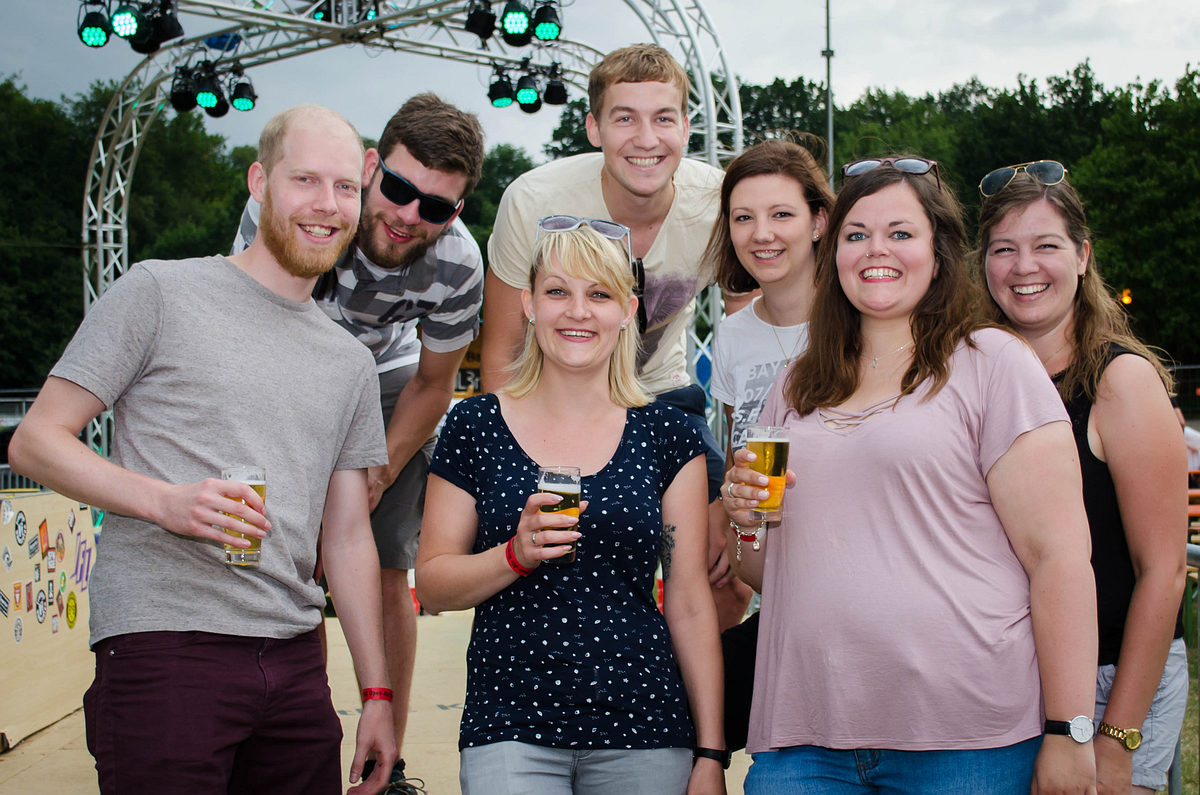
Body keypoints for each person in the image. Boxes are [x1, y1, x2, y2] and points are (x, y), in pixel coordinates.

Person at [9, 105, 397, 794]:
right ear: (260, 182)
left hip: (295, 661)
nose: (326, 204)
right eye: (305, 180)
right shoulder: (160, 291)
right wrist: (165, 502)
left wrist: (377, 693)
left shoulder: (350, 362)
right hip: (166, 645)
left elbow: (346, 538)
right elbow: (36, 441)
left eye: (344, 187)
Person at [722, 156, 1099, 793]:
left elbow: (1059, 560)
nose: (877, 250)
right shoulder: (796, 385)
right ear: (834, 253)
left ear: (938, 251)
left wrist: (1070, 730)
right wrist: (745, 521)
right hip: (806, 731)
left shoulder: (992, 363)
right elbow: (766, 571)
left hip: (966, 738)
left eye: (900, 232)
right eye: (857, 234)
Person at [416, 219, 726, 794]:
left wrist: (710, 751)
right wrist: (514, 555)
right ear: (529, 304)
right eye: (558, 291)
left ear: (628, 310)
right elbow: (432, 585)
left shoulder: (667, 434)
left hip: (644, 725)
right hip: (510, 725)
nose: (577, 311)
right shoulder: (475, 425)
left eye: (599, 294)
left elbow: (688, 602)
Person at [231, 92, 484, 791]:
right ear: (371, 167)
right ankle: (285, 734)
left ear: (456, 211)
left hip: (390, 382)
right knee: (290, 564)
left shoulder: (460, 263)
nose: (408, 215)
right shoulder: (296, 210)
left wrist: (378, 470)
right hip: (288, 370)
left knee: (382, 571)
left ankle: (386, 758)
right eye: (398, 189)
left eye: (435, 206)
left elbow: (434, 383)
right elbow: (252, 334)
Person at [481, 42, 750, 629]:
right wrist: (505, 459)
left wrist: (732, 478)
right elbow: (502, 346)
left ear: (687, 126)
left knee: (723, 572)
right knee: (557, 571)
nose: (645, 138)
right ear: (594, 128)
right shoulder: (534, 200)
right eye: (625, 118)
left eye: (663, 118)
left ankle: (688, 690)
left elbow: (749, 341)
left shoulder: (721, 203)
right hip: (557, 399)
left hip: (662, 396)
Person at [977, 160, 1188, 795]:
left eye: (1046, 245)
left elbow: (1163, 571)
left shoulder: (1120, 382)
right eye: (1003, 249)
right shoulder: (975, 378)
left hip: (1109, 682)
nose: (1024, 267)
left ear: (1083, 256)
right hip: (1008, 681)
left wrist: (1118, 737)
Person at [703, 136, 834, 750]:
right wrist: (732, 518)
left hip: (847, 574)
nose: (762, 234)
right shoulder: (733, 335)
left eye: (782, 214)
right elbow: (742, 450)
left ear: (819, 222)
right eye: (743, 217)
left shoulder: (857, 322)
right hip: (774, 584)